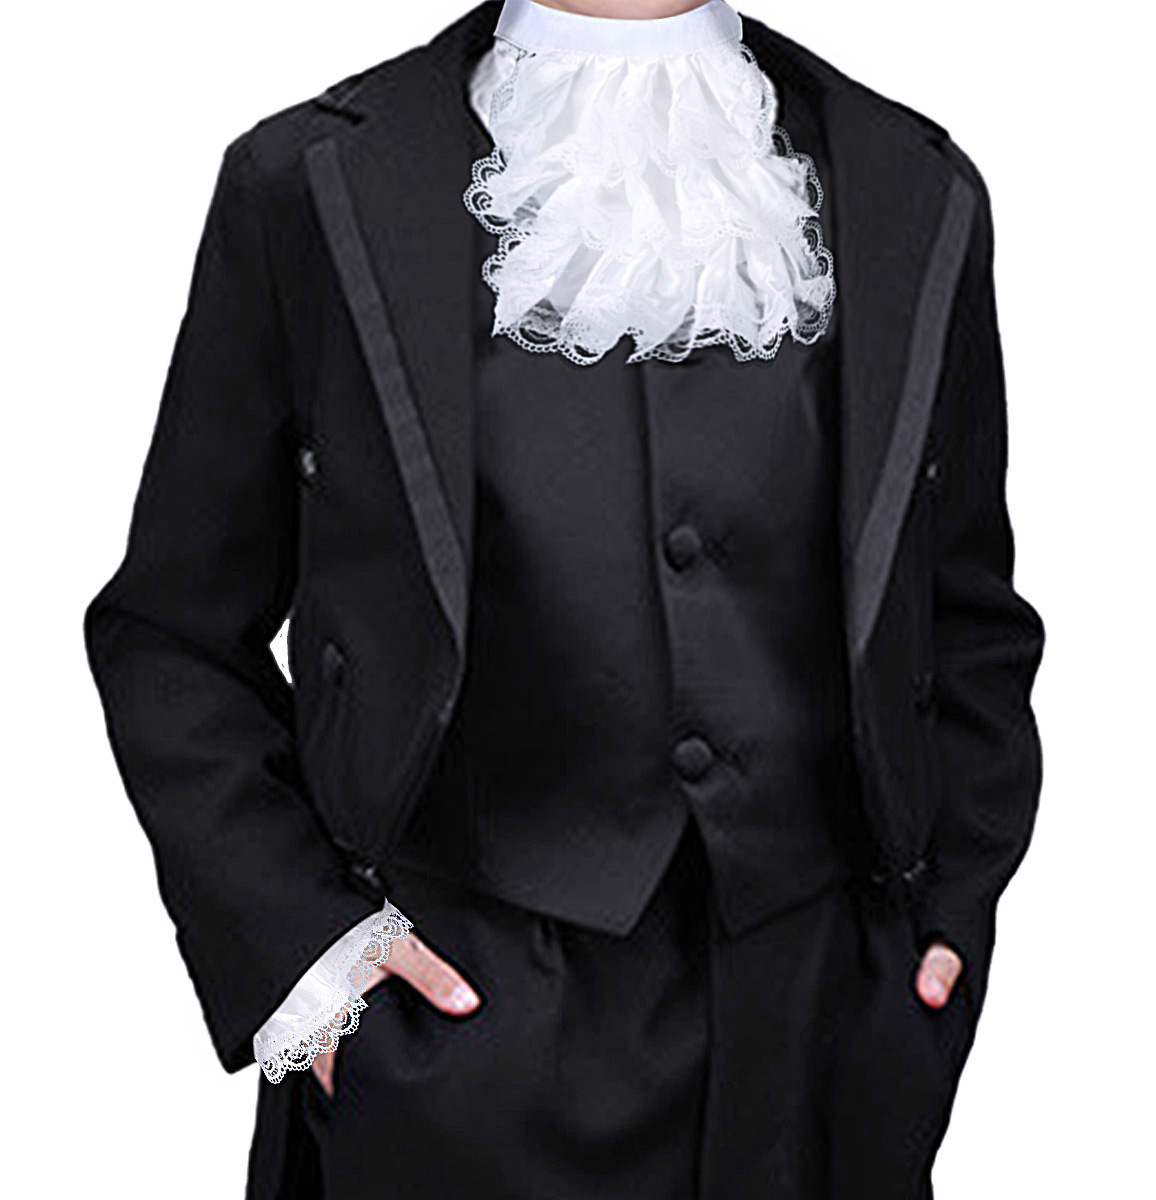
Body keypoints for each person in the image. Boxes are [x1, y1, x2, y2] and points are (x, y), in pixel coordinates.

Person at [82, 1, 1046, 1197]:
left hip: (822, 1063)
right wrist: (311, 966)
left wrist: (946, 929)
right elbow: (170, 633)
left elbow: (966, 619)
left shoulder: (911, 183)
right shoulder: (307, 182)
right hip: (450, 1062)